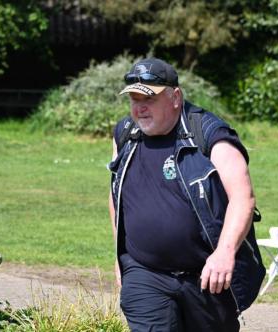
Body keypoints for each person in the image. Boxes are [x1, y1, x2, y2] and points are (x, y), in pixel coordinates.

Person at [108, 58, 265, 332]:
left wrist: (225, 253)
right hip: (145, 272)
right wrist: (120, 256)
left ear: (175, 97)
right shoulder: (126, 134)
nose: (139, 107)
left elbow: (243, 198)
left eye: (148, 99)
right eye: (133, 99)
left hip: (207, 278)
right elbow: (116, 195)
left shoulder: (208, 134)